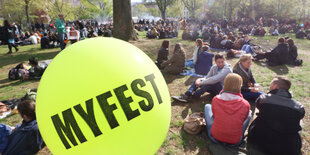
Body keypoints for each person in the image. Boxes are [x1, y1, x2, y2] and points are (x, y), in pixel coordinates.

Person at [247, 76, 305, 155]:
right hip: (288, 148)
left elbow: (258, 105)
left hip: (259, 142)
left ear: (275, 86)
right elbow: (301, 115)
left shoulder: (263, 99)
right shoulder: (298, 107)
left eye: (271, 84)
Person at [204, 73, 251, 146]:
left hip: (215, 137)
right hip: (235, 141)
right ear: (239, 86)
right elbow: (244, 119)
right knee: (249, 114)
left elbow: (214, 115)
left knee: (207, 106)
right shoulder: (245, 104)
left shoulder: (216, 99)